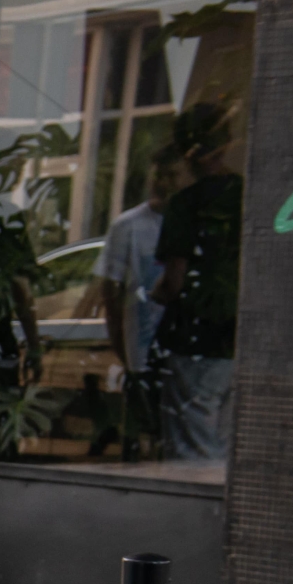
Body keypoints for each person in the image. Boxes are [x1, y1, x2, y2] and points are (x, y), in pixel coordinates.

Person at [151, 103, 243, 463]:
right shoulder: (248, 195)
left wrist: (151, 296)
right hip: (238, 337)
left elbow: (174, 280)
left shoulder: (186, 205)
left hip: (195, 335)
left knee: (191, 441)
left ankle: (193, 517)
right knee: (225, 438)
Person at [95, 148, 183, 452]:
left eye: (171, 176)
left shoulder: (191, 223)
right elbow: (111, 290)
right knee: (139, 431)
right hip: (141, 348)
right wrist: (121, 345)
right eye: (157, 175)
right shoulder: (128, 226)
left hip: (182, 349)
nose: (163, 183)